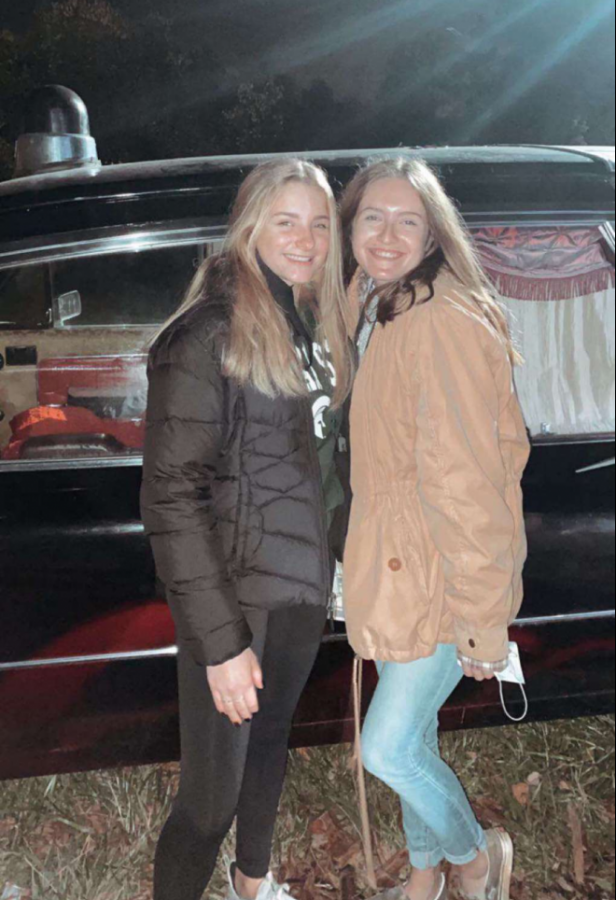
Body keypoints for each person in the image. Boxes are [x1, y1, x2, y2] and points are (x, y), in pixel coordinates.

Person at [141, 158, 354, 900]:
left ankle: (253, 885)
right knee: (209, 799)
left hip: (301, 581)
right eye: (286, 220)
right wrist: (222, 642)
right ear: (249, 223)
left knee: (270, 746)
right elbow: (170, 496)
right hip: (236, 597)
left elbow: (323, 462)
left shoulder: (310, 326)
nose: (306, 239)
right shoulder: (207, 334)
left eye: (320, 224)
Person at [340, 157, 531, 900]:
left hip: (442, 578)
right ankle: (424, 877)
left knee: (387, 748)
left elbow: (470, 484)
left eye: (407, 220)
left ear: (433, 234)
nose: (387, 234)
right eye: (372, 218)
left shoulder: (437, 322)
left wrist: (486, 622)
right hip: (397, 570)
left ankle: (474, 858)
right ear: (351, 227)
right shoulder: (386, 309)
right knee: (415, 735)